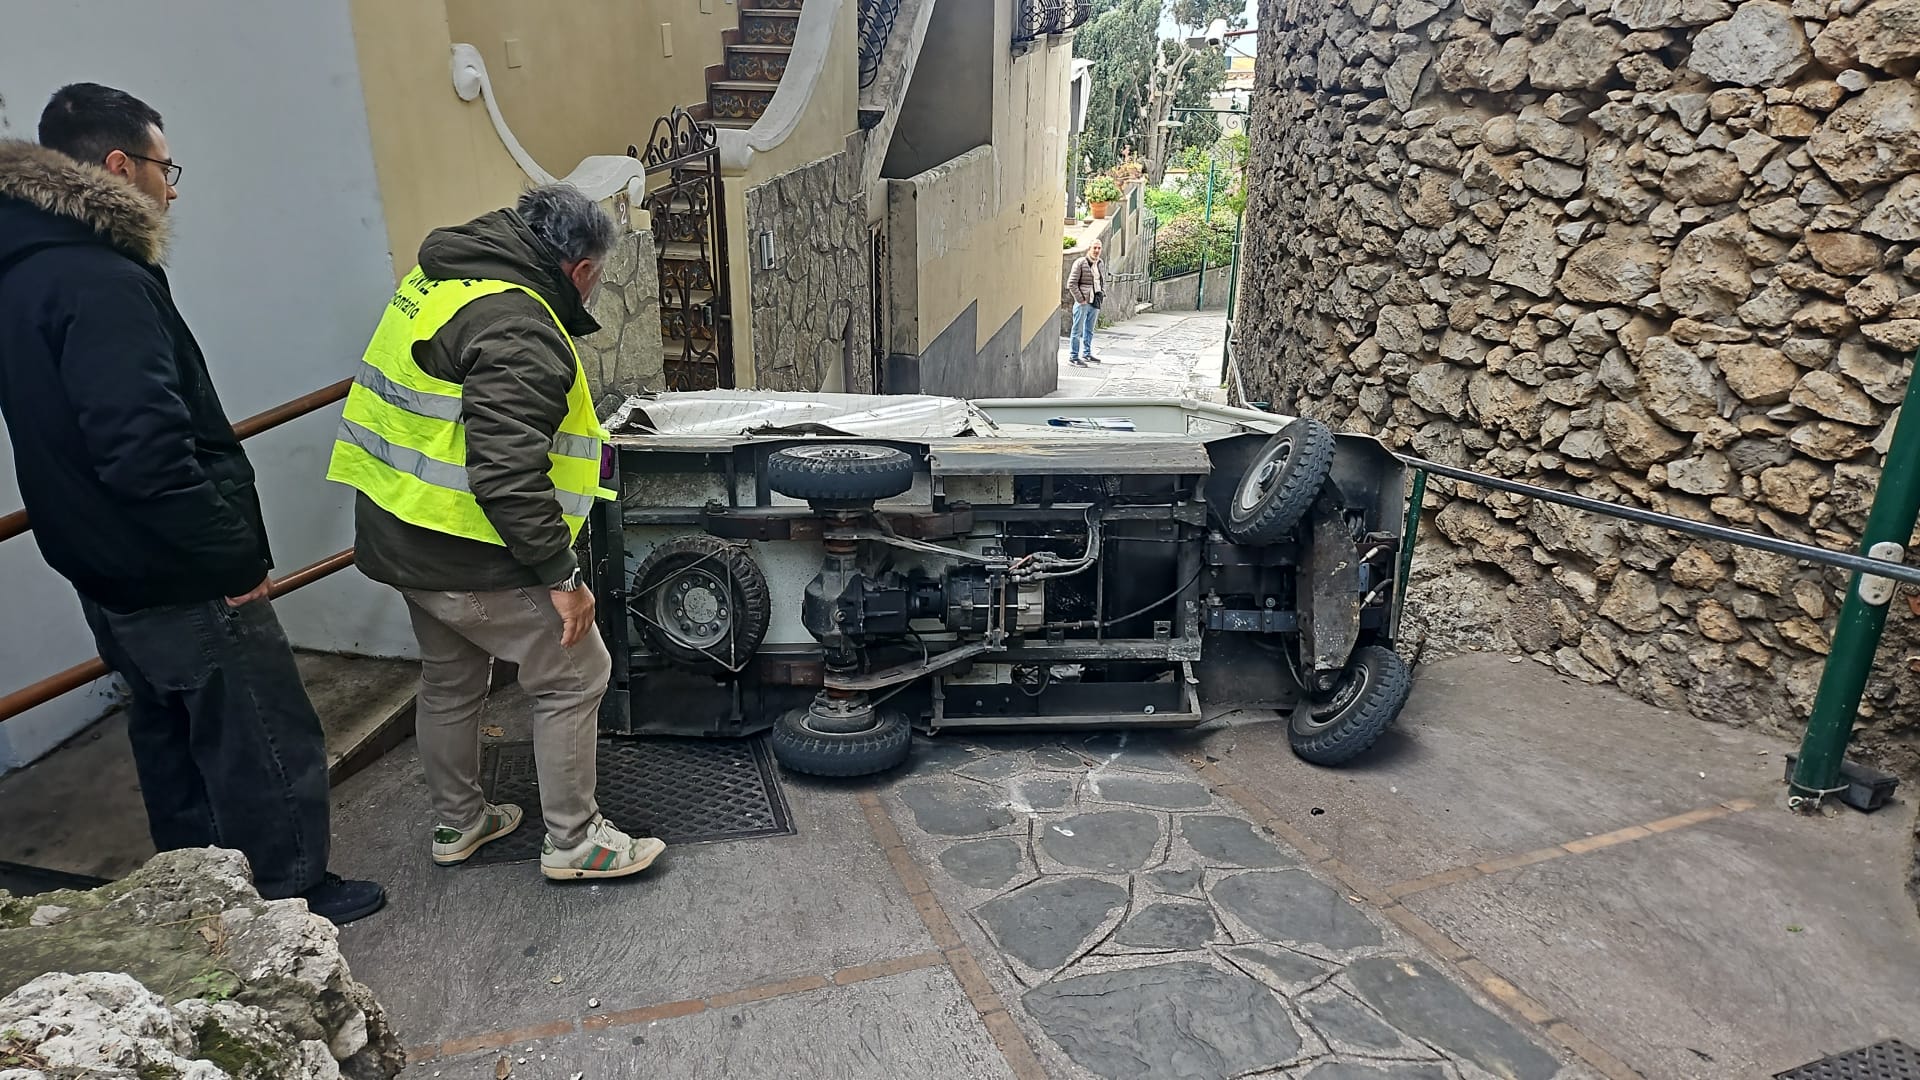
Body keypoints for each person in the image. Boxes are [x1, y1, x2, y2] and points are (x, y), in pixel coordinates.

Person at [0, 84, 384, 924]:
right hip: (174, 566)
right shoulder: (102, 280)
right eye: (164, 167)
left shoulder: (25, 271)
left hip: (101, 564)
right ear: (117, 166)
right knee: (261, 734)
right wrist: (233, 560)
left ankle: (195, 890)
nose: (170, 187)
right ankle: (293, 890)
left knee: (167, 734)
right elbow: (144, 452)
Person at [329, 184, 664, 882]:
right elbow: (507, 476)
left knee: (452, 680)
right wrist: (562, 578)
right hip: (469, 552)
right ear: (580, 270)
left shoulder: (440, 277)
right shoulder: (521, 328)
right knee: (576, 676)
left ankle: (461, 820)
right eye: (598, 276)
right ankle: (576, 843)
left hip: (402, 534)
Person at [1067, 239, 1105, 367]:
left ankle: (1087, 353)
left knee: (1089, 330)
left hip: (1095, 301)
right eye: (1094, 248)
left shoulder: (1100, 263)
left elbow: (1100, 280)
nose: (1097, 251)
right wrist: (1080, 299)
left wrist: (1102, 293)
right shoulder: (1080, 263)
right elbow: (1071, 283)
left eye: (1099, 248)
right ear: (1089, 248)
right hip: (1083, 302)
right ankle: (1073, 357)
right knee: (1077, 330)